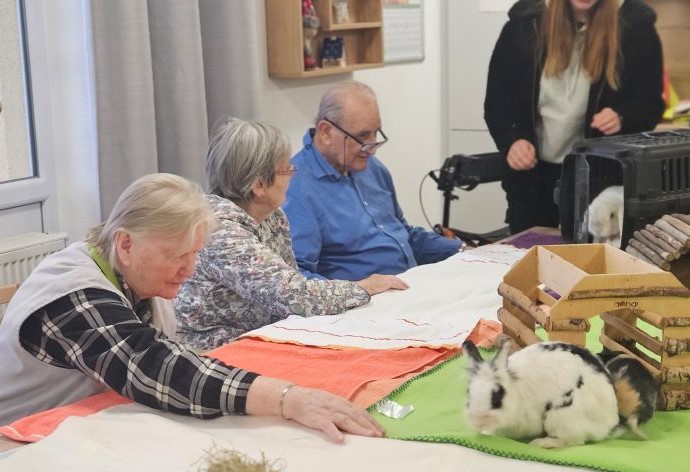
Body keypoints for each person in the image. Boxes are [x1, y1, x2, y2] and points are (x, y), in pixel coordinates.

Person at [0, 173, 384, 442]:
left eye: (194, 254)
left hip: (82, 428)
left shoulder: (133, 276)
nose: (188, 269)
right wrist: (288, 398)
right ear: (126, 244)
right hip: (19, 448)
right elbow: (155, 367)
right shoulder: (74, 295)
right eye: (175, 255)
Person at [174, 118, 408, 351]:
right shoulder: (220, 232)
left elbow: (292, 286)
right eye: (287, 169)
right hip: (220, 355)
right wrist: (365, 287)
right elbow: (296, 298)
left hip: (268, 338)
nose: (293, 174)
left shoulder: (273, 215)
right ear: (259, 185)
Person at [484, 0, 665, 234]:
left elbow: (649, 102)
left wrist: (623, 116)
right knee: (531, 258)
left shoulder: (635, 29)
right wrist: (513, 140)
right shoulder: (524, 26)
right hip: (533, 180)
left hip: (599, 177)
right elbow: (499, 102)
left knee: (592, 263)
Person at [283, 80, 463, 281]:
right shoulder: (295, 188)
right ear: (326, 131)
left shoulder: (371, 167)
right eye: (362, 135)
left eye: (376, 133)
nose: (373, 146)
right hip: (362, 304)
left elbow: (404, 236)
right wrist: (360, 290)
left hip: (408, 286)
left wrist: (462, 249)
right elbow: (297, 278)